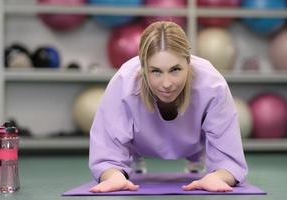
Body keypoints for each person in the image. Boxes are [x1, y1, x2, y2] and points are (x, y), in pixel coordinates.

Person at [88, 21, 248, 193]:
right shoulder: (123, 82)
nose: (166, 84)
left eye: (175, 69)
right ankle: (134, 160)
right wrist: (114, 176)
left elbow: (230, 158)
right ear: (143, 67)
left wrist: (218, 176)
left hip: (195, 143)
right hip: (139, 143)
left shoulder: (213, 85)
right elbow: (106, 151)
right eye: (156, 71)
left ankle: (195, 161)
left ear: (188, 61)